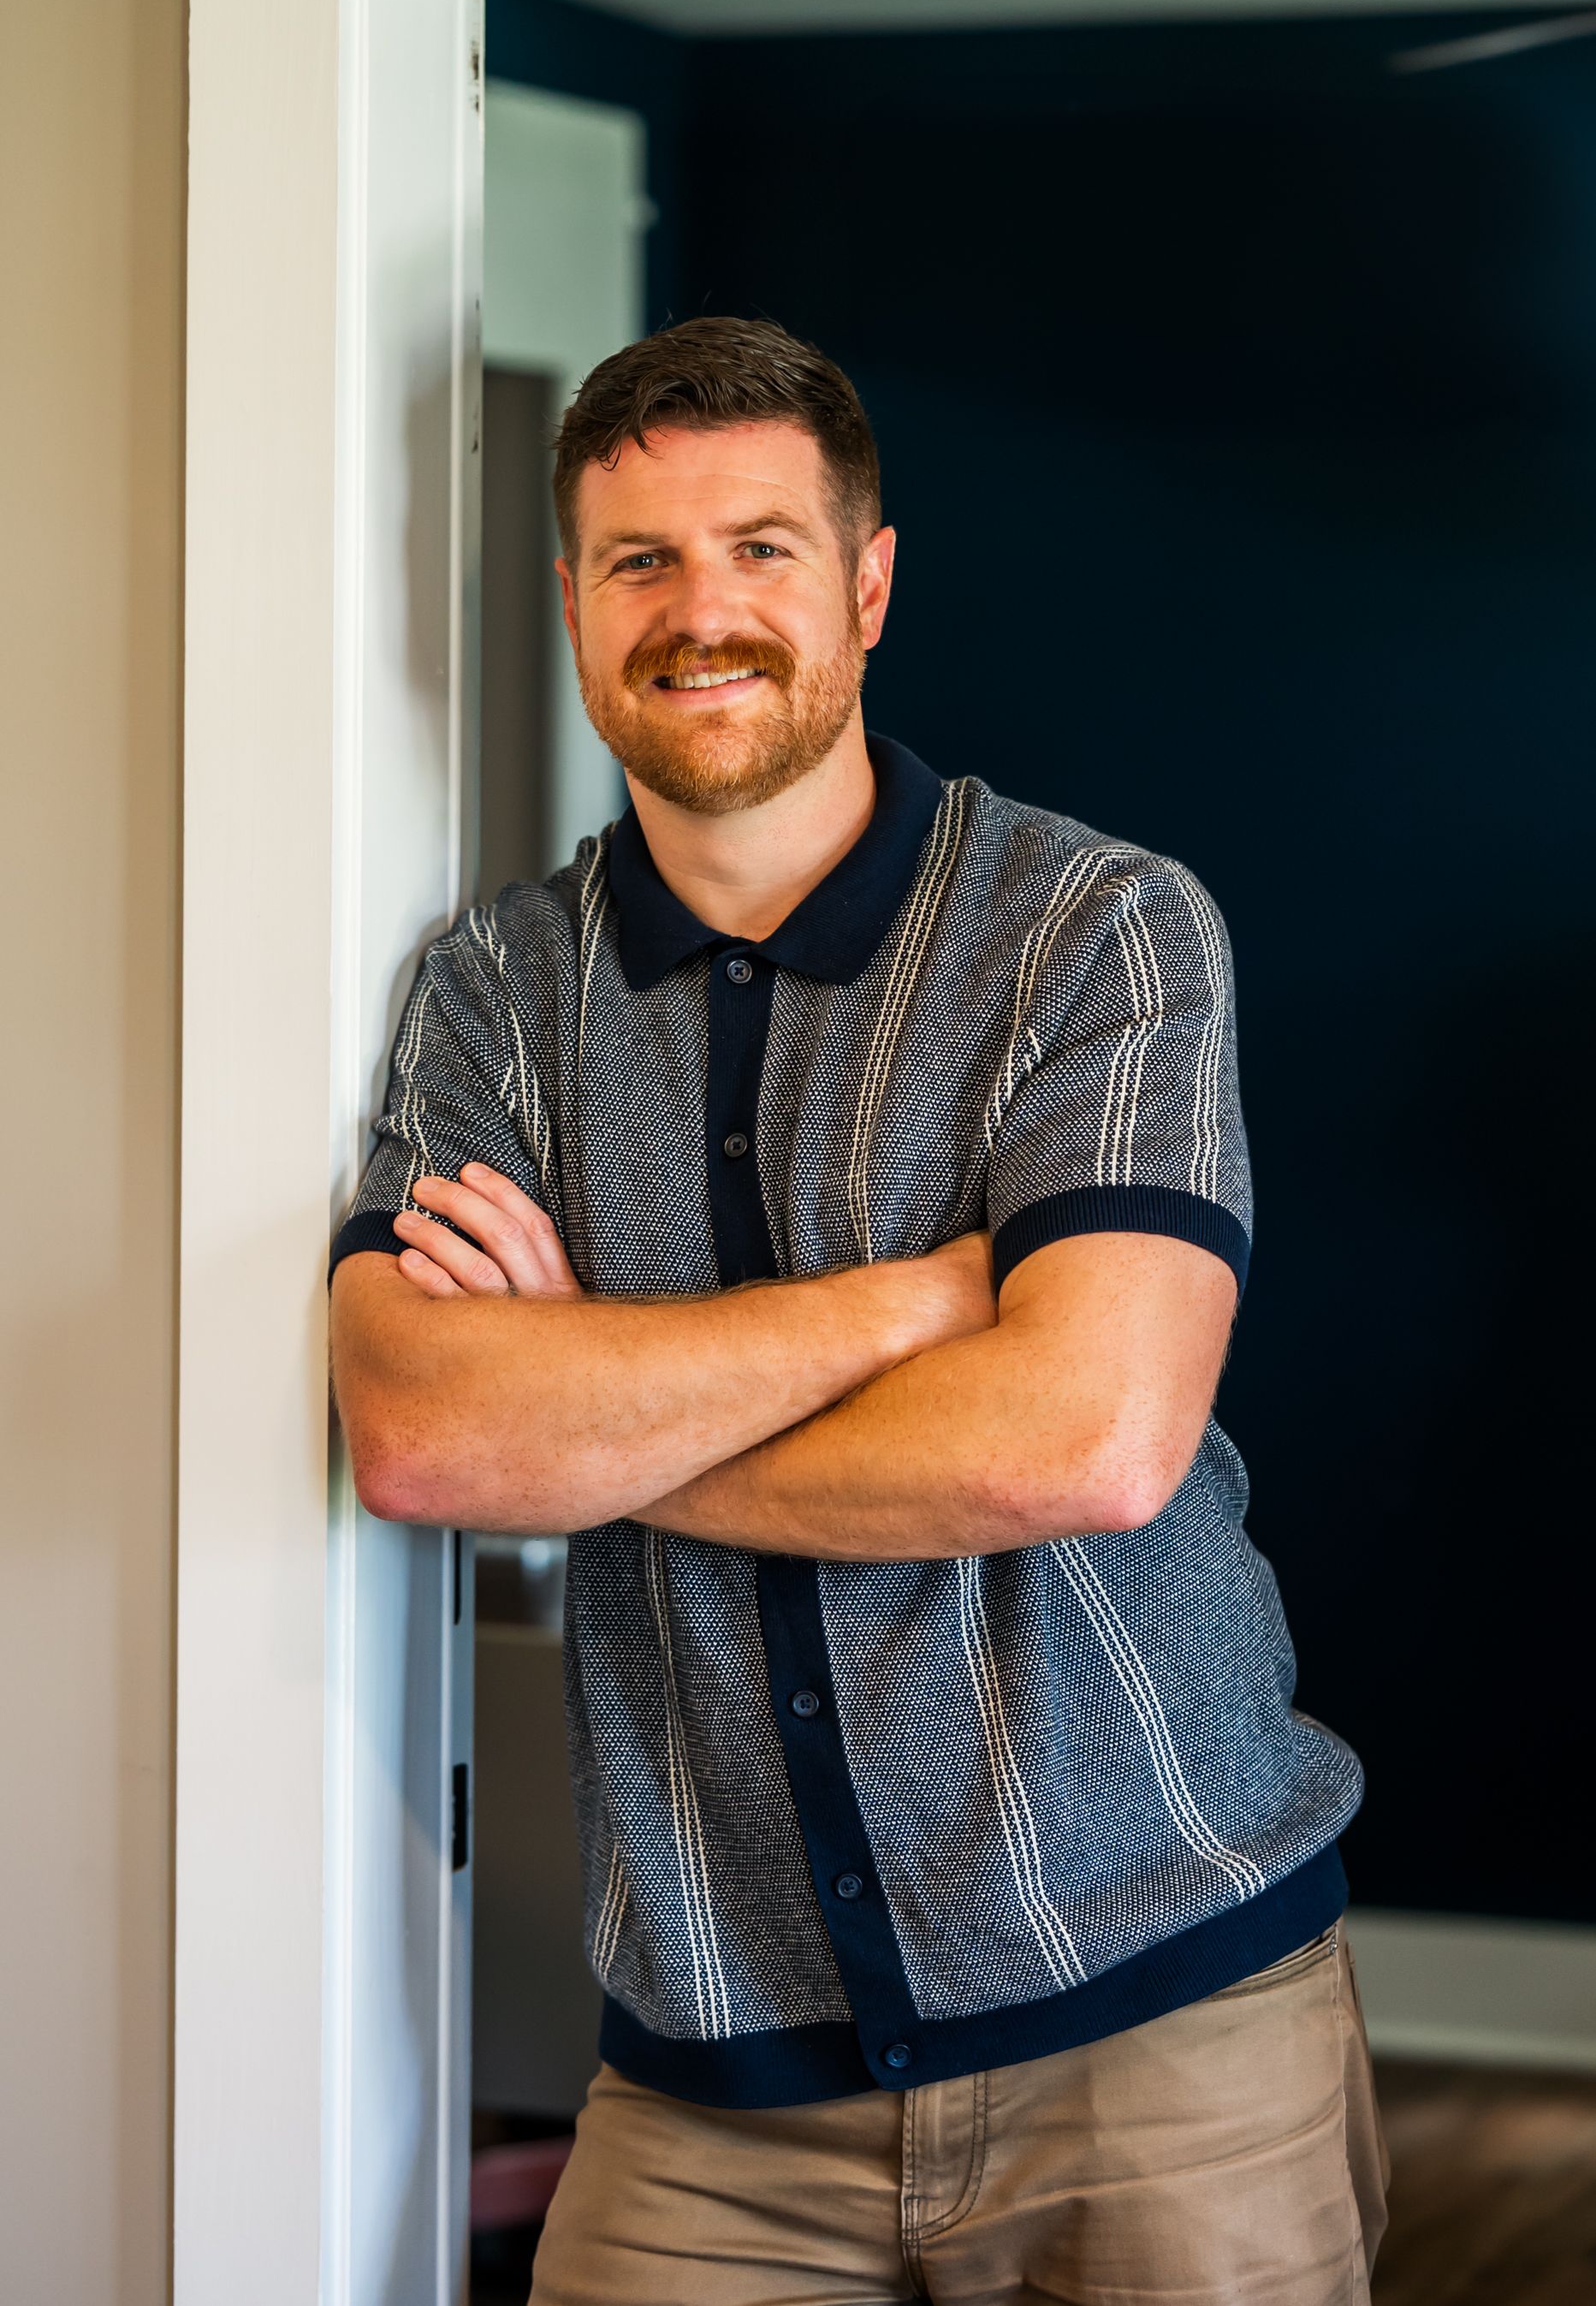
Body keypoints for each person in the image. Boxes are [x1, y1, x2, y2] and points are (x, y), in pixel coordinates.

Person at [330, 316, 1387, 2303]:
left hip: (1158, 2043)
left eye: (761, 549)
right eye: (641, 561)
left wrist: (595, 1422)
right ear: (570, 603)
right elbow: (426, 1433)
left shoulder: (1098, 929)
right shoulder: (487, 996)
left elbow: (1086, 1440)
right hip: (707, 2093)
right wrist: (920, 1305)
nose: (699, 612)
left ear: (870, 584)